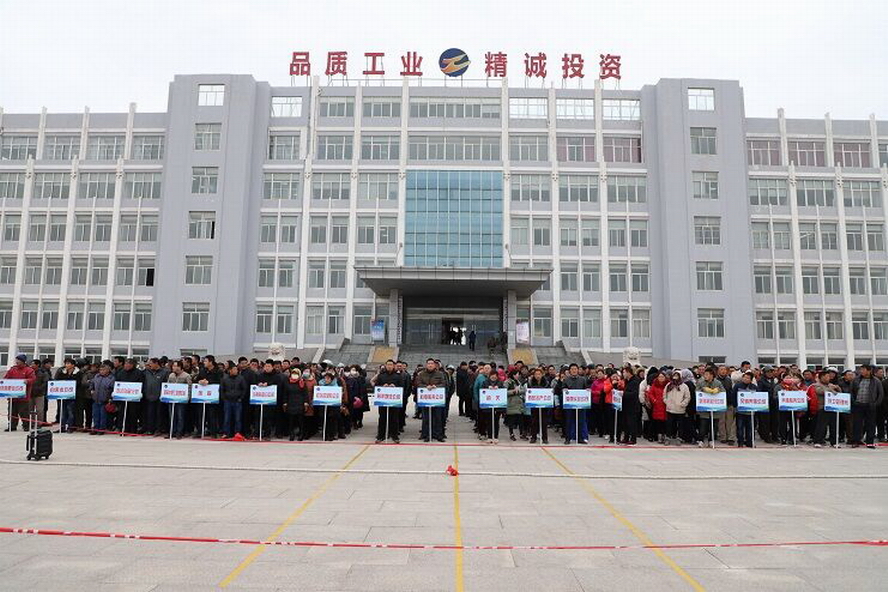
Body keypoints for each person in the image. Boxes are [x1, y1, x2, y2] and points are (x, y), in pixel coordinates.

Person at [850, 364, 884, 449]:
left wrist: (876, 404)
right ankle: (856, 441)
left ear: (869, 371)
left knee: (870, 424)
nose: (861, 371)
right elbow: (851, 391)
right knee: (857, 424)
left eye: (863, 370)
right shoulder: (856, 380)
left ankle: (870, 442)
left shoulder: (876, 381)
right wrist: (854, 401)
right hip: (858, 404)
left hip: (870, 405)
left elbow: (880, 394)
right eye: (860, 370)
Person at [416, 358, 447, 442]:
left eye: (432, 364)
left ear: (434, 365)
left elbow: (444, 384)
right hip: (425, 399)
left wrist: (436, 387)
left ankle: (438, 435)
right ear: (426, 365)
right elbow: (418, 384)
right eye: (428, 363)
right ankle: (426, 434)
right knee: (426, 418)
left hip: (437, 400)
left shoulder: (440, 374)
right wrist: (426, 387)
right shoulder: (421, 374)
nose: (430, 365)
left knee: (438, 418)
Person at [4, 354, 36, 432]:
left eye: (18, 360)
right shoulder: (12, 370)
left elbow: (33, 379)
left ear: (23, 361)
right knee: (12, 412)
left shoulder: (29, 370)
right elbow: (6, 378)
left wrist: (27, 381)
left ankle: (26, 426)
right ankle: (12, 426)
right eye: (16, 360)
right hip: (12, 396)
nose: (17, 361)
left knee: (24, 412)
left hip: (23, 396)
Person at [810, 368, 840, 447]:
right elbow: (821, 392)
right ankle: (818, 441)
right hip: (823, 407)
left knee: (834, 425)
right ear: (821, 377)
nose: (828, 378)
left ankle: (834, 442)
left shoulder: (831, 385)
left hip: (833, 407)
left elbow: (838, 394)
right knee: (821, 426)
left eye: (829, 377)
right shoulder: (817, 385)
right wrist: (831, 389)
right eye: (826, 377)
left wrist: (838, 388)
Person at [373, 359, 401, 444]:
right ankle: (381, 435)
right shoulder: (381, 376)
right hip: (383, 401)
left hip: (394, 401)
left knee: (394, 419)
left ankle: (394, 436)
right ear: (385, 365)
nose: (389, 366)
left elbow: (401, 387)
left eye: (391, 365)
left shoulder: (398, 376)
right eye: (388, 364)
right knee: (382, 418)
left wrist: (395, 386)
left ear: (394, 366)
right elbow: (376, 386)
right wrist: (382, 386)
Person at [695, 366, 724, 447]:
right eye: (705, 374)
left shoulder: (718, 383)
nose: (705, 376)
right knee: (703, 425)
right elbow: (696, 391)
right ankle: (701, 440)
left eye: (707, 374)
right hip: (704, 408)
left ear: (712, 375)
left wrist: (718, 390)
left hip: (715, 408)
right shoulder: (701, 382)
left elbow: (723, 391)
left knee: (714, 426)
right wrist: (703, 390)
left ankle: (711, 440)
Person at [562, 363, 590, 445]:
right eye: (572, 369)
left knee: (580, 421)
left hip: (580, 404)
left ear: (578, 370)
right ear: (569, 371)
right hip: (569, 404)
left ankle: (580, 438)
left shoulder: (582, 379)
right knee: (568, 421)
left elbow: (586, 388)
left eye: (575, 369)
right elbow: (562, 389)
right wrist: (564, 390)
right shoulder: (566, 380)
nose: (574, 370)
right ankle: (568, 438)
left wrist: (588, 390)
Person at [142, 358, 169, 436]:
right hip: (149, 396)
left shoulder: (164, 372)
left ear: (156, 363)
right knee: (150, 414)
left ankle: (159, 429)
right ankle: (150, 429)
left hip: (159, 397)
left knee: (159, 414)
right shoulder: (146, 372)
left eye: (151, 363)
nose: (149, 365)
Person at [54, 358, 81, 433]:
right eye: (66, 363)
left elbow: (78, 383)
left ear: (73, 365)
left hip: (72, 396)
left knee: (70, 412)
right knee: (62, 412)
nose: (66, 365)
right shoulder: (62, 372)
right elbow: (58, 381)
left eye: (68, 363)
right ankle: (62, 427)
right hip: (63, 396)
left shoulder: (78, 373)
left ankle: (70, 427)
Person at [166, 361, 192, 438]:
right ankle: (172, 431)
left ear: (180, 367)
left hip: (181, 400)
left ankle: (179, 432)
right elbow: (167, 386)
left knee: (180, 416)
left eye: (176, 366)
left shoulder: (186, 376)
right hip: (171, 398)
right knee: (172, 416)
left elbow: (189, 387)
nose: (174, 368)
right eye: (173, 366)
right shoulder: (171, 375)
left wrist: (188, 397)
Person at [220, 363, 247, 439]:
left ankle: (237, 433)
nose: (236, 371)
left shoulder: (241, 378)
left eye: (236, 369)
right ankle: (226, 433)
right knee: (227, 418)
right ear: (230, 370)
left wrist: (241, 398)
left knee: (238, 418)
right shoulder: (225, 379)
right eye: (234, 369)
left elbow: (244, 389)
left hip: (237, 401)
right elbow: (222, 390)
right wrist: (224, 398)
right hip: (227, 401)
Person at [732, 370, 758, 448]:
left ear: (751, 380)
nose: (746, 379)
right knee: (740, 427)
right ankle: (740, 442)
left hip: (750, 411)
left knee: (750, 428)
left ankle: (749, 442)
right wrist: (735, 406)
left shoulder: (754, 387)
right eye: (745, 377)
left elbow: (758, 397)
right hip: (740, 411)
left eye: (748, 378)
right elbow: (733, 396)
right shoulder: (737, 386)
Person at [89, 361, 116, 435]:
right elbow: (92, 383)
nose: (102, 371)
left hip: (105, 400)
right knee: (95, 415)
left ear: (108, 370)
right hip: (95, 399)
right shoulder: (97, 376)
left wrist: (110, 398)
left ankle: (101, 429)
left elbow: (112, 389)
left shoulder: (111, 378)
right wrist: (91, 389)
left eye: (103, 370)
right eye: (100, 370)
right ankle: (95, 428)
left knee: (103, 416)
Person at [663, 370, 690, 445]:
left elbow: (687, 397)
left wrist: (683, 404)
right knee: (669, 424)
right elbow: (664, 395)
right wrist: (667, 402)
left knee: (680, 425)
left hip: (680, 409)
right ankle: (668, 437)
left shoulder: (684, 386)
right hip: (670, 408)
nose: (675, 377)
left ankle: (679, 438)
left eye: (677, 375)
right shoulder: (669, 385)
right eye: (674, 375)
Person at [282, 367, 307, 441]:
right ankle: (291, 434)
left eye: (296, 374)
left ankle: (301, 434)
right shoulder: (288, 382)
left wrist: (306, 402)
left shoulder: (302, 382)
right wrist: (285, 402)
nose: (294, 375)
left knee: (300, 420)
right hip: (291, 402)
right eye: (293, 373)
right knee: (291, 420)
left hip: (300, 403)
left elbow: (305, 394)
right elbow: (285, 393)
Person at [527, 367, 550, 444]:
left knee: (544, 422)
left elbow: (549, 391)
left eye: (539, 374)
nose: (538, 376)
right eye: (536, 374)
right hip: (534, 404)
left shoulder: (546, 383)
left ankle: (545, 438)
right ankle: (533, 437)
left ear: (542, 375)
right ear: (534, 375)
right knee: (534, 421)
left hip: (544, 404)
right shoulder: (530, 383)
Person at [645, 371, 668, 444]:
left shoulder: (668, 385)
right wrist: (654, 400)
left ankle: (665, 436)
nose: (661, 378)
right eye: (659, 377)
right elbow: (650, 393)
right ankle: (659, 436)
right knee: (658, 422)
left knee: (665, 422)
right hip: (657, 406)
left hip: (665, 405)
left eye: (662, 377)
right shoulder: (654, 384)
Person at [505, 368, 525, 441]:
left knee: (520, 420)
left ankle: (521, 434)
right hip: (511, 403)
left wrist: (518, 391)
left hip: (519, 403)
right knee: (511, 420)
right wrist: (513, 391)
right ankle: (511, 434)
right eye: (516, 374)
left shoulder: (518, 382)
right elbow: (504, 392)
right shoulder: (507, 382)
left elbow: (523, 390)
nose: (517, 376)